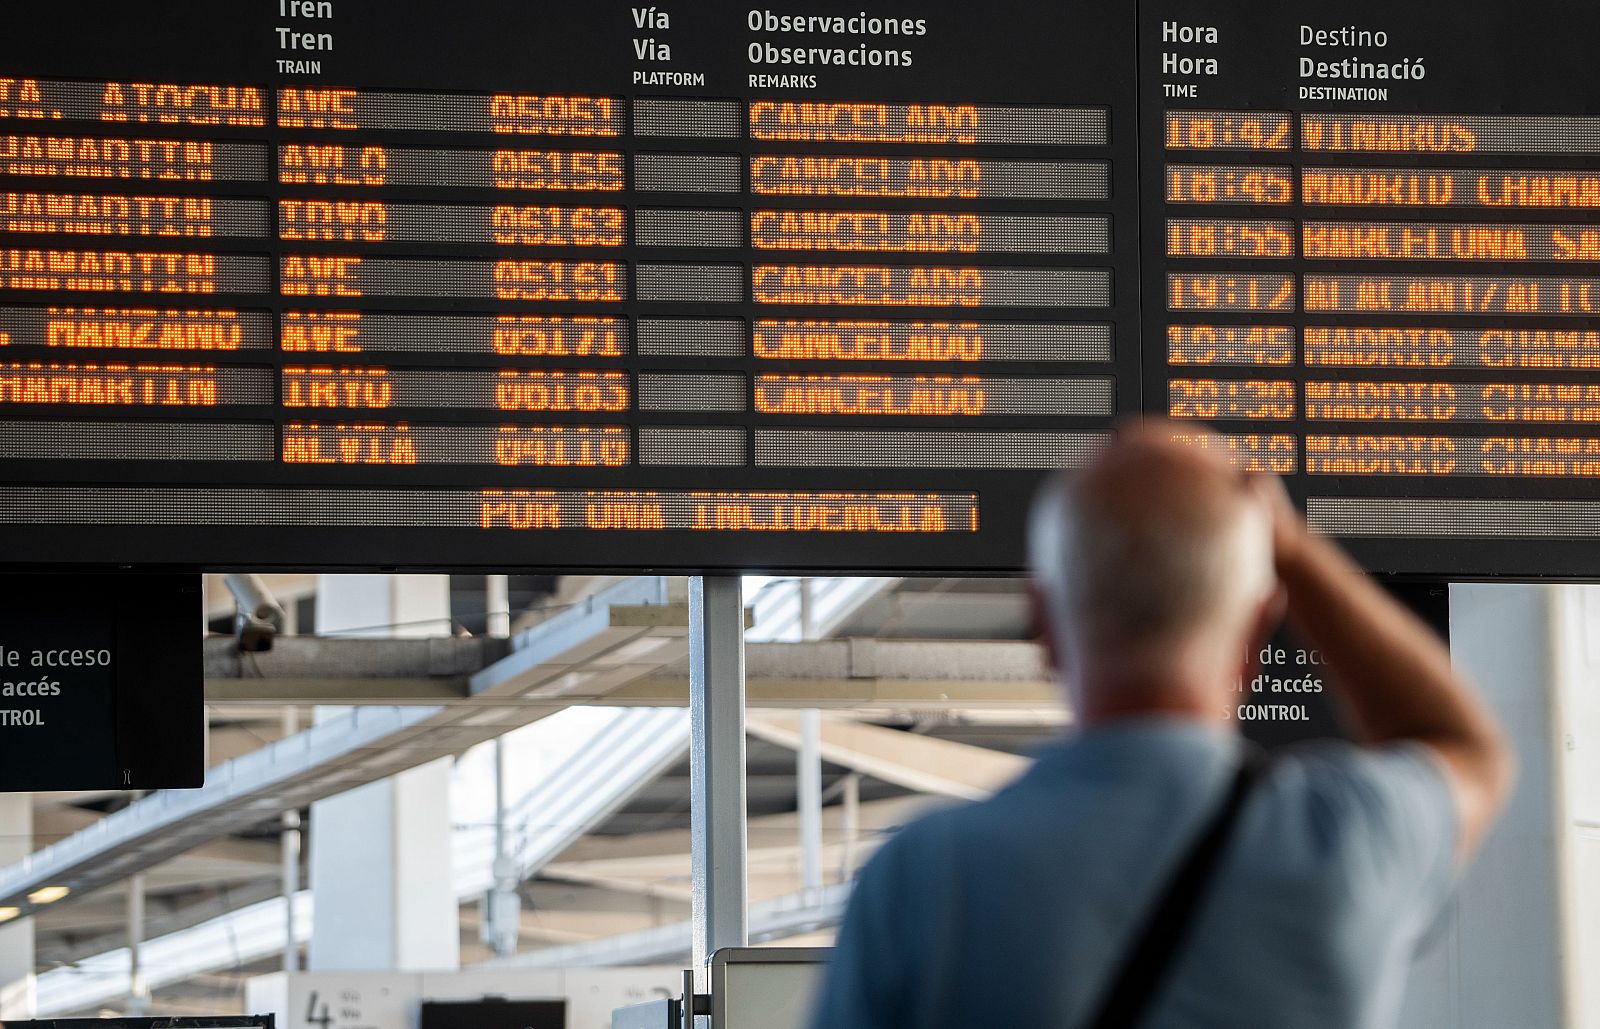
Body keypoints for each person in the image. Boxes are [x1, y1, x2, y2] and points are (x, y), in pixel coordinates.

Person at [808, 422, 1513, 1029]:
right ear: (1257, 635)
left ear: (1045, 625)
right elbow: (1466, 745)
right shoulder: (1345, 841)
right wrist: (1294, 551)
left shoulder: (921, 880)